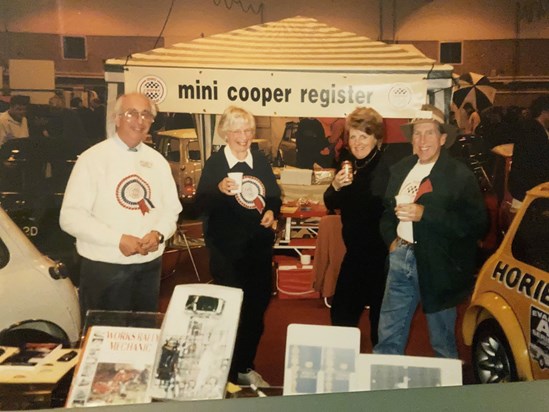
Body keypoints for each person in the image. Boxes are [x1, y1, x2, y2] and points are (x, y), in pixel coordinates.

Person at [374, 104, 487, 359]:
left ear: (443, 138)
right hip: (400, 257)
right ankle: (382, 392)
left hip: (439, 265)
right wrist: (392, 240)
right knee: (388, 336)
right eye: (417, 133)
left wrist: (426, 214)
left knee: (442, 342)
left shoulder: (459, 175)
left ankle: (448, 396)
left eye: (429, 133)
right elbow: (387, 212)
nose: (422, 140)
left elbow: (477, 225)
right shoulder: (401, 169)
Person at [59, 93, 182, 319]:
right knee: (104, 343)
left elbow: (171, 211)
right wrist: (117, 240)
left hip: (148, 268)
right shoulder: (92, 159)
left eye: (146, 114)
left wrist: (158, 234)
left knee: (142, 340)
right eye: (131, 113)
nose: (139, 120)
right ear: (116, 118)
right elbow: (70, 217)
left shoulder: (158, 162)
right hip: (104, 269)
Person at [195, 106, 281, 387]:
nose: (244, 137)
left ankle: (244, 366)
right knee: (230, 312)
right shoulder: (215, 163)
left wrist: (272, 212)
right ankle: (223, 372)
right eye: (237, 131)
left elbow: (275, 196)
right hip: (227, 253)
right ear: (225, 133)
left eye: (248, 130)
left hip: (258, 250)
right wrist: (218, 189)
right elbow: (200, 205)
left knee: (256, 311)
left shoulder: (260, 161)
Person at [323, 107, 389, 346]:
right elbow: (330, 202)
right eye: (353, 136)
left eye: (364, 136)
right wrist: (336, 186)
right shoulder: (348, 164)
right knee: (341, 316)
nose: (358, 142)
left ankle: (380, 376)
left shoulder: (386, 167)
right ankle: (343, 371)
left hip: (382, 258)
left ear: (376, 138)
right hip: (355, 256)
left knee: (381, 325)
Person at [508, 95, 549, 206]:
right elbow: (536, 163)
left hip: (529, 191)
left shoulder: (534, 128)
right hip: (529, 193)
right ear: (544, 111)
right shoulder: (532, 131)